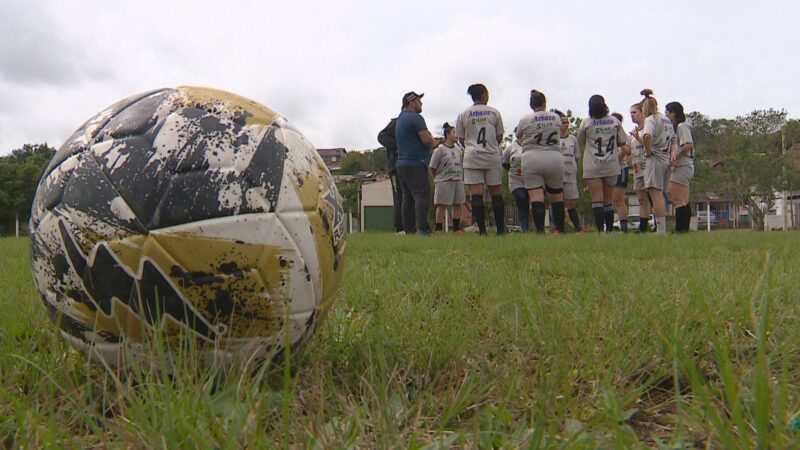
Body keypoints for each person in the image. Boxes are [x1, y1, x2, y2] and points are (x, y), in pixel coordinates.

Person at [456, 84, 506, 235]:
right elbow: (499, 136)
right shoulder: (494, 112)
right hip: (491, 155)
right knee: (496, 192)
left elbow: (461, 138)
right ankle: (500, 230)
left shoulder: (464, 114)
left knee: (476, 194)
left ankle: (482, 231)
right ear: (484, 94)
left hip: (472, 156)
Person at [516, 90, 565, 234]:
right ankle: (560, 230)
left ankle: (540, 231)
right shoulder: (555, 117)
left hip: (532, 157)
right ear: (545, 102)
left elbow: (519, 134)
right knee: (556, 197)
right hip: (553, 156)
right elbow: (560, 129)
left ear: (531, 104)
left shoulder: (525, 120)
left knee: (536, 197)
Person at [577, 95, 628, 232]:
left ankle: (600, 230)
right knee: (608, 200)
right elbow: (622, 140)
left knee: (597, 199)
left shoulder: (586, 123)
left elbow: (580, 141)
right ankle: (609, 230)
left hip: (593, 164)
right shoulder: (614, 121)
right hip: (611, 163)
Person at [395, 91, 438, 236]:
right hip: (416, 163)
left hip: (401, 164)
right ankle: (424, 229)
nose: (421, 104)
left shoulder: (401, 118)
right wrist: (434, 142)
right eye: (419, 101)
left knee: (407, 198)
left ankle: (409, 230)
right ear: (412, 102)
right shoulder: (416, 118)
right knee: (421, 196)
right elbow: (426, 140)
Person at [635, 89, 674, 234]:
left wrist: (648, 150)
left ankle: (661, 230)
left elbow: (647, 136)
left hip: (655, 158)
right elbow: (674, 139)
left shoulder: (650, 119)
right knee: (661, 193)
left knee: (655, 194)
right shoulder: (666, 119)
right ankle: (662, 228)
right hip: (666, 157)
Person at [429, 123, 466, 233]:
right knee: (442, 205)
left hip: (457, 179)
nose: (456, 135)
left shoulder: (458, 150)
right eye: (454, 133)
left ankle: (456, 228)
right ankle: (439, 228)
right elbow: (433, 166)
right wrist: (438, 177)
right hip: (444, 180)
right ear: (447, 135)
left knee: (458, 203)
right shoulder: (440, 150)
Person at [377, 117, 410, 233]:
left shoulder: (413, 123)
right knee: (398, 196)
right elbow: (381, 136)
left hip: (407, 166)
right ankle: (399, 227)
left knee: (408, 196)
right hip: (395, 167)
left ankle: (409, 226)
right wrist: (397, 145)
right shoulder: (397, 123)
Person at [666, 101, 694, 232]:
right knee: (683, 199)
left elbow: (688, 145)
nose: (666, 115)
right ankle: (684, 229)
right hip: (683, 166)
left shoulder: (682, 126)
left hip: (683, 166)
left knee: (678, 199)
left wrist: (675, 156)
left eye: (667, 113)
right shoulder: (676, 128)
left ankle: (680, 229)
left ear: (673, 114)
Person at [556, 111, 583, 233]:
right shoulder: (554, 139)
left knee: (571, 203)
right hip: (556, 175)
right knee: (558, 202)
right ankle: (559, 229)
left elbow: (577, 157)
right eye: (563, 122)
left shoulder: (573, 139)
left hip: (570, 174)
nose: (566, 124)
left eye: (567, 122)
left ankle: (578, 229)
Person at [629, 102, 652, 232]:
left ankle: (659, 224)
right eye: (630, 114)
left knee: (654, 196)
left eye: (634, 112)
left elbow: (651, 146)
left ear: (642, 112)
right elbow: (628, 149)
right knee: (641, 199)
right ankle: (643, 228)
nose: (632, 116)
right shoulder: (632, 133)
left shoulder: (648, 129)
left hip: (648, 166)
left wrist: (638, 138)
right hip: (637, 168)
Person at [501, 129, 528, 231]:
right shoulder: (511, 147)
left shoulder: (531, 146)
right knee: (522, 199)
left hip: (530, 179)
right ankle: (524, 227)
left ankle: (534, 229)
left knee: (533, 202)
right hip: (515, 180)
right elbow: (504, 162)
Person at [611, 112, 632, 232]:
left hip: (620, 170)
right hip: (608, 170)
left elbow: (625, 152)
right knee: (612, 199)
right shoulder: (607, 136)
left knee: (619, 199)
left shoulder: (624, 137)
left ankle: (624, 228)